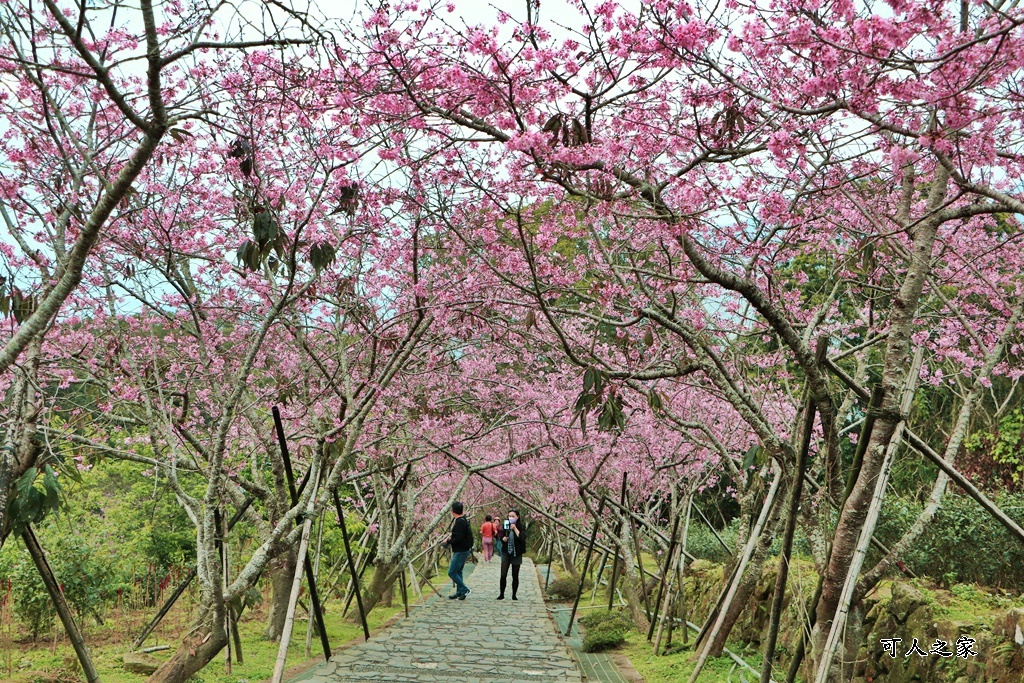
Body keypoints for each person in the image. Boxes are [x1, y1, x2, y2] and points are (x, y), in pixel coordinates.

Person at [443, 500, 473, 600]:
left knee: (451, 572)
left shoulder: (459, 522)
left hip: (461, 550)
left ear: (453, 511)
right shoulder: (464, 520)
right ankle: (459, 592)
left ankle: (464, 589)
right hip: (464, 549)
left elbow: (459, 537)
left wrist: (448, 541)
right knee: (458, 572)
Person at [496, 508, 526, 601]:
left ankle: (514, 595)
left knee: (515, 575)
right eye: (509, 516)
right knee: (503, 574)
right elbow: (501, 536)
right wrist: (503, 539)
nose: (511, 518)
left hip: (516, 553)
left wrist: (515, 529)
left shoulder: (521, 526)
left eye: (513, 516)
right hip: (506, 551)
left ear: (517, 517)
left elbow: (522, 538)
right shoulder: (506, 525)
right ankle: (501, 594)